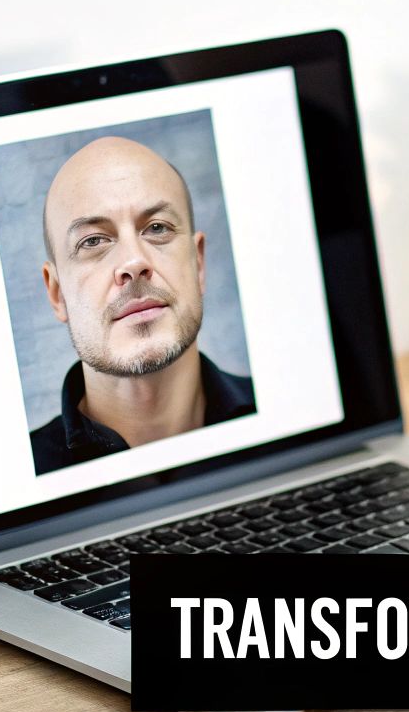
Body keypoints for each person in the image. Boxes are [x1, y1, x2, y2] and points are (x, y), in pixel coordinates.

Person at [30, 136, 254, 473]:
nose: (134, 262)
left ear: (198, 264)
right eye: (93, 240)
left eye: (157, 228)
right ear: (57, 294)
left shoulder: (286, 411)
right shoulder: (21, 474)